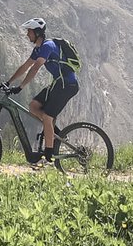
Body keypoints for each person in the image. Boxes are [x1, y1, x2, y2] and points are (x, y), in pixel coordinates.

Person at [4, 17, 78, 165]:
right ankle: (54, 132)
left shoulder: (48, 46)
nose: (27, 35)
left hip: (67, 85)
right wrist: (8, 82)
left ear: (37, 33)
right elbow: (25, 66)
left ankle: (49, 154)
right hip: (58, 83)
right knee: (33, 106)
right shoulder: (38, 49)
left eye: (29, 32)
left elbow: (35, 67)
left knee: (48, 118)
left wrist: (20, 87)